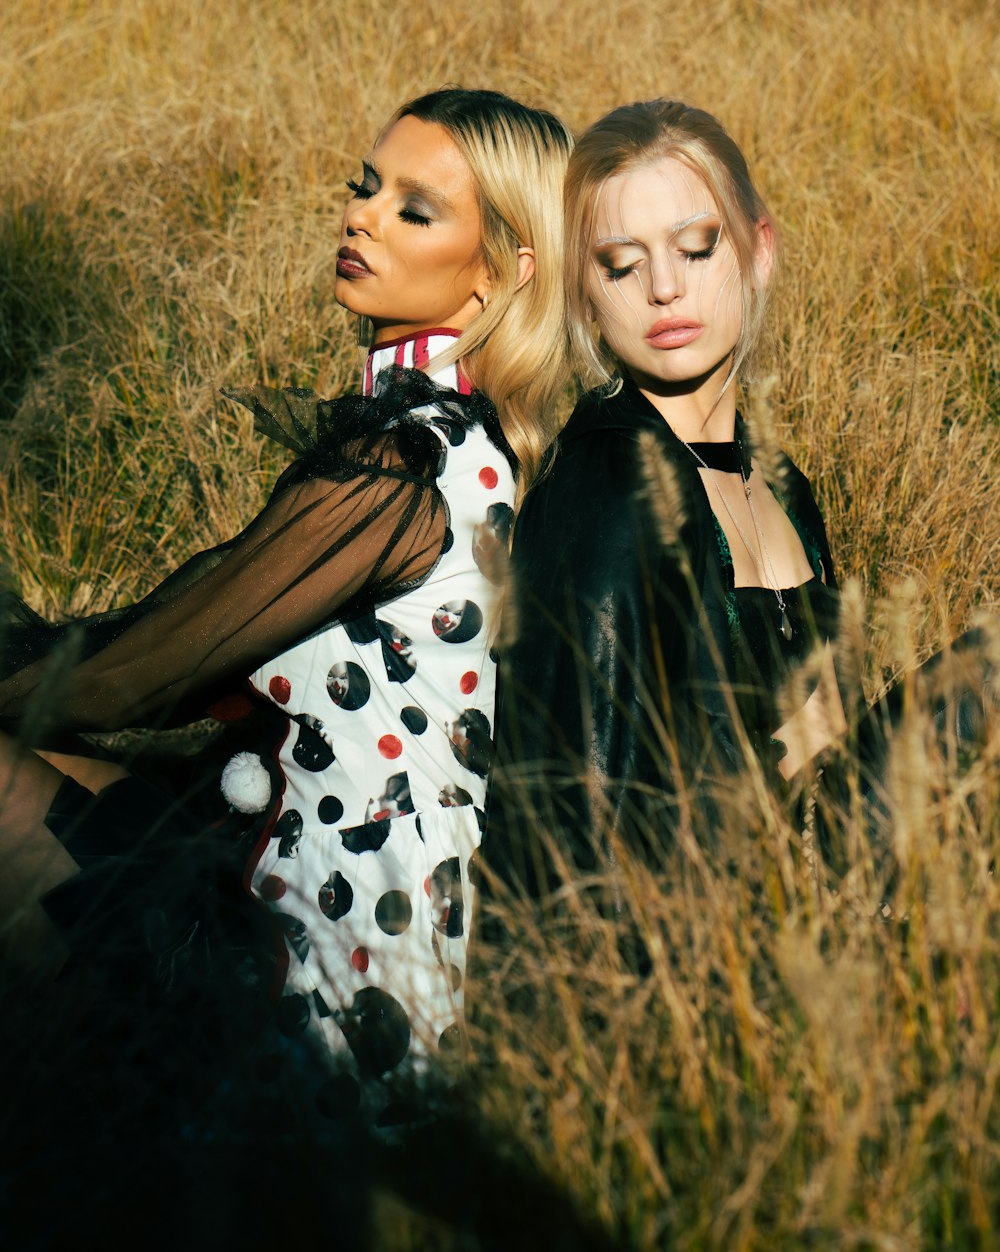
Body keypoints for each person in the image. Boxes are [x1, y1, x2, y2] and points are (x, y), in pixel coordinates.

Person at [0, 86, 573, 1110]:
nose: (360, 216)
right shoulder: (457, 438)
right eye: (366, 187)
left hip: (316, 965)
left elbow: (128, 680)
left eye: (414, 208)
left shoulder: (400, 465)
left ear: (499, 272)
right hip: (356, 913)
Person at [480, 98, 992, 906]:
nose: (665, 287)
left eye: (696, 246)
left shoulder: (777, 479)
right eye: (620, 263)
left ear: (759, 253)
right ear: (584, 297)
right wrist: (797, 745)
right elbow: (584, 853)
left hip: (814, 917)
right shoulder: (608, 491)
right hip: (684, 965)